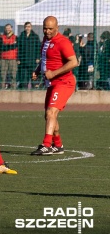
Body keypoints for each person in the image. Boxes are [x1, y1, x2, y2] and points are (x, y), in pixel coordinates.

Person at [30, 16, 78, 156]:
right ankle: (58, 145)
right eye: (45, 28)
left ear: (57, 27)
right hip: (51, 83)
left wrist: (54, 73)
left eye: (50, 28)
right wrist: (38, 71)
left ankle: (46, 145)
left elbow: (74, 62)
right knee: (49, 115)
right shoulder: (46, 40)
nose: (47, 31)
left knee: (51, 112)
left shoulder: (63, 42)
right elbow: (46, 59)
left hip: (64, 82)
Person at [17, 22, 41, 89]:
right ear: (24, 27)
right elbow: (18, 48)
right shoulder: (21, 36)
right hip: (23, 61)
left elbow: (38, 48)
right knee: (24, 78)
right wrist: (18, 58)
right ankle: (24, 90)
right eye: (26, 27)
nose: (27, 28)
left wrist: (37, 57)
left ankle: (34, 89)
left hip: (32, 61)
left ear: (31, 27)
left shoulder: (35, 36)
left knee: (33, 76)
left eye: (29, 26)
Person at [0, 24, 18, 89]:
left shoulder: (15, 37)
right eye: (6, 28)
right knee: (2, 75)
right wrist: (11, 45)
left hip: (13, 59)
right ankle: (2, 88)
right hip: (3, 59)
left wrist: (6, 46)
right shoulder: (1, 37)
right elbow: (2, 48)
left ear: (11, 28)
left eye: (9, 28)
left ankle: (13, 88)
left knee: (13, 75)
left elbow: (16, 46)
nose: (8, 29)